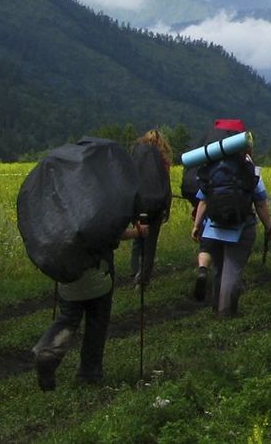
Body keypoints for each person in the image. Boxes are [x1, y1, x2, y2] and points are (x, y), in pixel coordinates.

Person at [33, 218, 148, 390]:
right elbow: (112, 232)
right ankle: (89, 374)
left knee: (68, 318)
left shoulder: (61, 200)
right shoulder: (99, 202)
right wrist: (138, 232)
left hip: (67, 272)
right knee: (97, 321)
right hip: (98, 271)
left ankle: (47, 350)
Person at [190, 119, 271, 316]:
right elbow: (260, 202)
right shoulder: (248, 169)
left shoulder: (211, 169)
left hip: (215, 224)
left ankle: (215, 307)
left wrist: (197, 225)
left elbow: (203, 200)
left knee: (219, 267)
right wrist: (268, 225)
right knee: (233, 268)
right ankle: (226, 314)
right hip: (241, 224)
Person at [130, 128, 174, 287]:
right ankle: (143, 280)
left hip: (139, 204)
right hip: (155, 207)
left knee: (137, 238)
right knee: (150, 244)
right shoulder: (162, 161)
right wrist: (166, 208)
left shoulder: (137, 157)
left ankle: (134, 271)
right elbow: (166, 188)